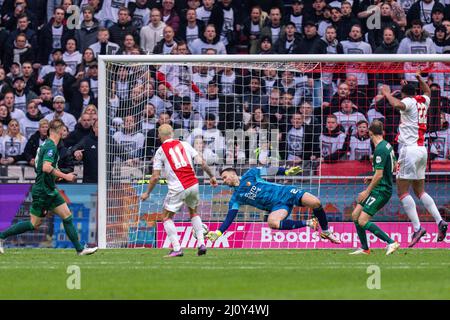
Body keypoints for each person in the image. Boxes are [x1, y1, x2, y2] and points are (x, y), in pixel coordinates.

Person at [0, 119, 98, 255]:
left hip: (49, 188)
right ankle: (1, 236)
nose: (65, 133)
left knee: (67, 216)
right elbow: (46, 167)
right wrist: (66, 176)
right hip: (43, 190)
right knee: (33, 224)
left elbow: (41, 167)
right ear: (58, 131)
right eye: (64, 130)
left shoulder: (45, 145)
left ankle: (80, 249)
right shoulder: (51, 147)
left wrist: (56, 176)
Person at [381, 70, 448, 247]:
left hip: (408, 150)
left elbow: (398, 105)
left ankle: (418, 228)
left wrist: (387, 94)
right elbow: (428, 92)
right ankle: (440, 221)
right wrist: (420, 78)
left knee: (402, 192)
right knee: (420, 191)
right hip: (421, 150)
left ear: (403, 94)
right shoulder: (422, 101)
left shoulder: (408, 102)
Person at [206, 167, 341, 244]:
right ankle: (309, 223)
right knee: (272, 222)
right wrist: (218, 232)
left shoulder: (250, 174)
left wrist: (286, 172)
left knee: (316, 203)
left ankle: (326, 231)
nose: (224, 180)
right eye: (222, 179)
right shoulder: (236, 198)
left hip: (286, 192)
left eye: (224, 177)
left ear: (233, 174)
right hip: (278, 207)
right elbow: (230, 217)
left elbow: (270, 170)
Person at [140, 124, 218, 257]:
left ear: (160, 136)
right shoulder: (185, 144)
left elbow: (155, 177)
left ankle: (177, 248)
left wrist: (147, 192)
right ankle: (201, 244)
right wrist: (212, 176)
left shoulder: (160, 151)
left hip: (178, 187)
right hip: (193, 183)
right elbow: (202, 162)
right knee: (193, 212)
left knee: (166, 217)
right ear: (172, 134)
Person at [350, 120, 400, 255]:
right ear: (382, 131)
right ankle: (365, 248)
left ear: (370, 133)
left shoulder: (380, 149)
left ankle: (391, 242)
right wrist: (373, 178)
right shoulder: (387, 145)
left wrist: (367, 191)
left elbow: (379, 175)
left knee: (362, 220)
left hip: (381, 191)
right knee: (355, 215)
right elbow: (394, 166)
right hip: (379, 186)